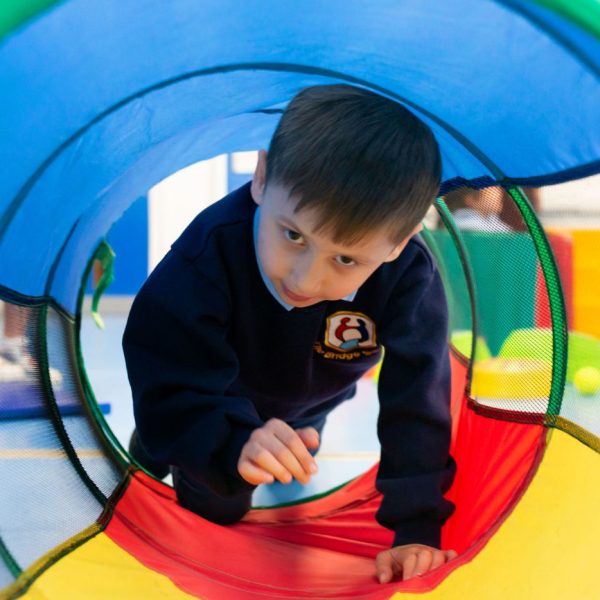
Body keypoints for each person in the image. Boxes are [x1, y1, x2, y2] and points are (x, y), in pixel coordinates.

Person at [123, 84, 457, 584]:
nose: (304, 279)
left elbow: (418, 396)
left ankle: (264, 433)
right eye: (293, 235)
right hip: (218, 392)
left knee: (297, 452)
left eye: (345, 259)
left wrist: (417, 527)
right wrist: (231, 442)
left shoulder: (408, 273)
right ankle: (156, 444)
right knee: (216, 506)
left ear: (397, 244)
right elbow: (168, 362)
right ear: (261, 177)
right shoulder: (210, 251)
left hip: (312, 396)